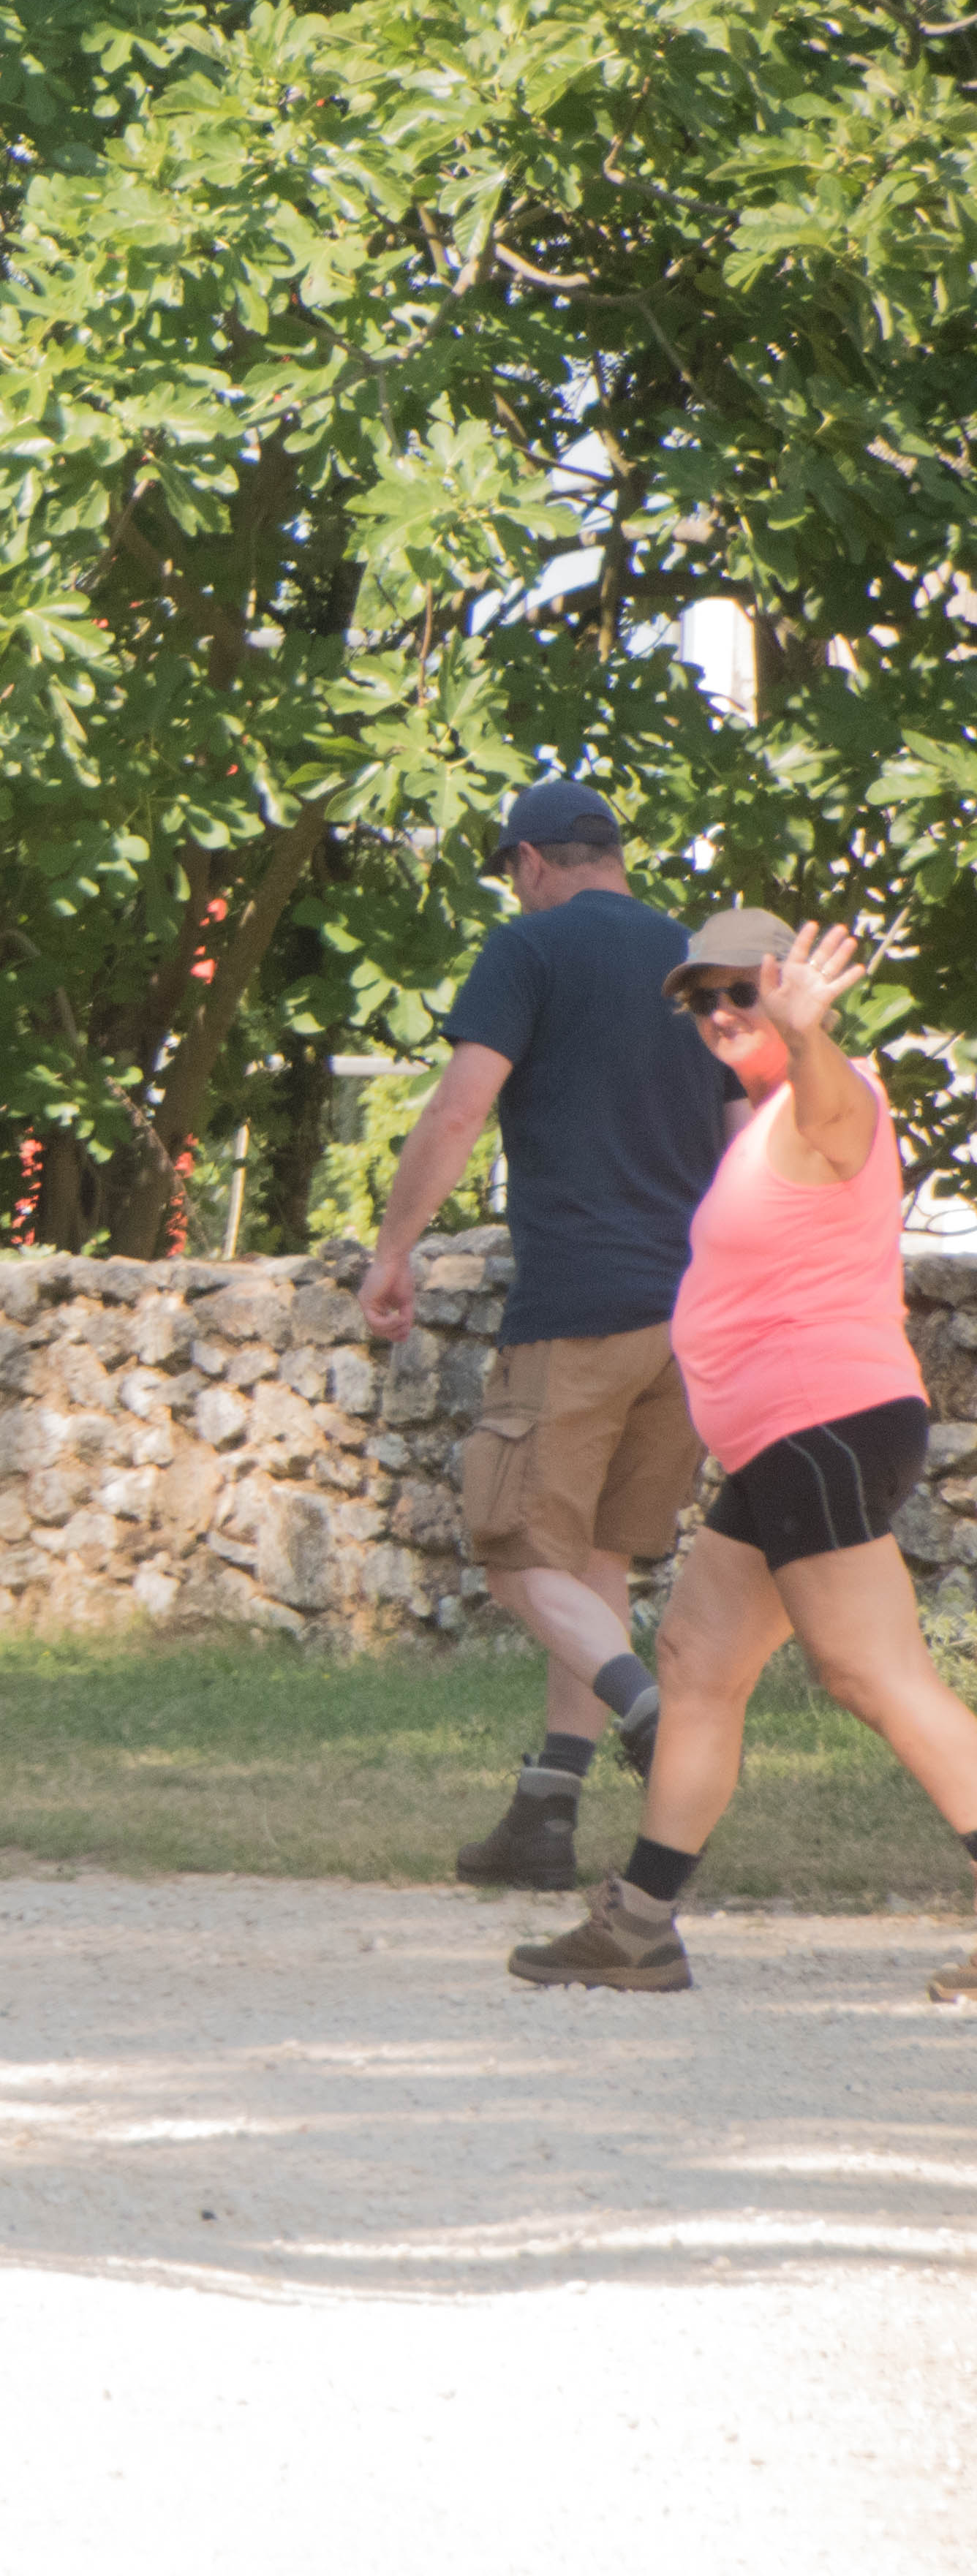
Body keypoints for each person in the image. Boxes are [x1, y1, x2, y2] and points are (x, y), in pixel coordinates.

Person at [508, 913, 977, 1995]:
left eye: (742, 991)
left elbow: (834, 1102)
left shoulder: (830, 1100)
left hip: (823, 1426)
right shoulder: (765, 1124)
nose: (721, 1014)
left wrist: (809, 1036)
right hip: (786, 1442)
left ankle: (639, 1922)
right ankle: (637, 1926)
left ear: (790, 991)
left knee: (874, 1674)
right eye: (700, 998)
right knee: (697, 1661)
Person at [358, 779, 742, 1891]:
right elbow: (739, 1145)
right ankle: (545, 1817)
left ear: (529, 861)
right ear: (614, 853)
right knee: (598, 1560)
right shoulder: (698, 963)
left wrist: (395, 1251)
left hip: (578, 1305)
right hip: (687, 1314)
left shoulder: (526, 952)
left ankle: (647, 1714)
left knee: (514, 1550)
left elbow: (460, 1106)